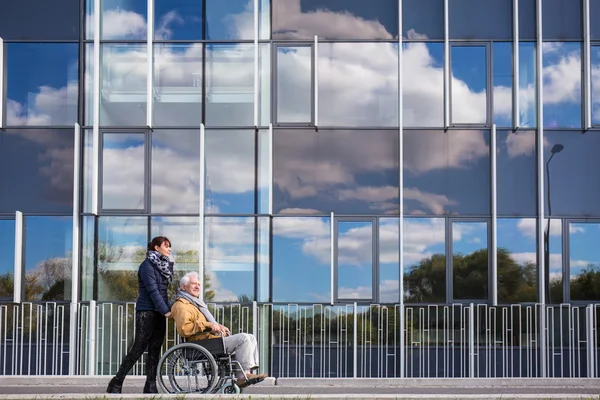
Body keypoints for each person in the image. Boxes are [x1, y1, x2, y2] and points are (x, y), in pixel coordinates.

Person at [171, 272, 267, 388]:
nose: (197, 287)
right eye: (193, 284)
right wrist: (209, 325)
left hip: (209, 340)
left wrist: (218, 326)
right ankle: (242, 377)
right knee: (243, 338)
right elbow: (184, 329)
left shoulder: (195, 304)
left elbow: (205, 323)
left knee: (251, 337)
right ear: (183, 287)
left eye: (199, 284)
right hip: (202, 344)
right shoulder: (181, 305)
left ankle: (248, 373)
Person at [106, 236, 174, 394]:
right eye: (166, 246)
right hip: (146, 312)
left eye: (170, 246)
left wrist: (167, 309)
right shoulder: (147, 266)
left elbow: (163, 292)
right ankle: (117, 381)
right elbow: (153, 291)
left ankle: (150, 385)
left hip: (160, 312)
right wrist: (166, 310)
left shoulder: (164, 266)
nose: (169, 249)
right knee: (138, 347)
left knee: (155, 349)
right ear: (156, 248)